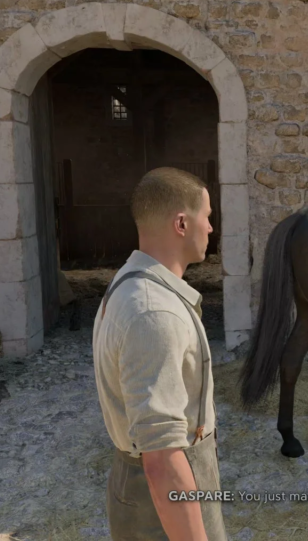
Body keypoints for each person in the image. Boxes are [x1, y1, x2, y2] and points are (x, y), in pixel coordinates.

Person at [92, 167, 227, 541]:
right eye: (208, 217)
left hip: (142, 491)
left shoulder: (129, 283)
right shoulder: (155, 313)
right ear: (182, 223)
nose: (211, 229)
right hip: (165, 505)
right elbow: (163, 459)